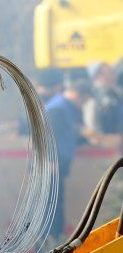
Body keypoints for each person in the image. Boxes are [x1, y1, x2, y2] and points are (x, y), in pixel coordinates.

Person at [43, 72, 93, 239]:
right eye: (84, 101)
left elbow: (67, 133)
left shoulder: (63, 107)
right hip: (51, 166)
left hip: (57, 164)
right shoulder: (58, 109)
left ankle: (54, 239)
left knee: (56, 204)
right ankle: (51, 242)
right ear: (79, 95)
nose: (82, 105)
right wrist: (51, 161)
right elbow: (48, 137)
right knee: (52, 206)